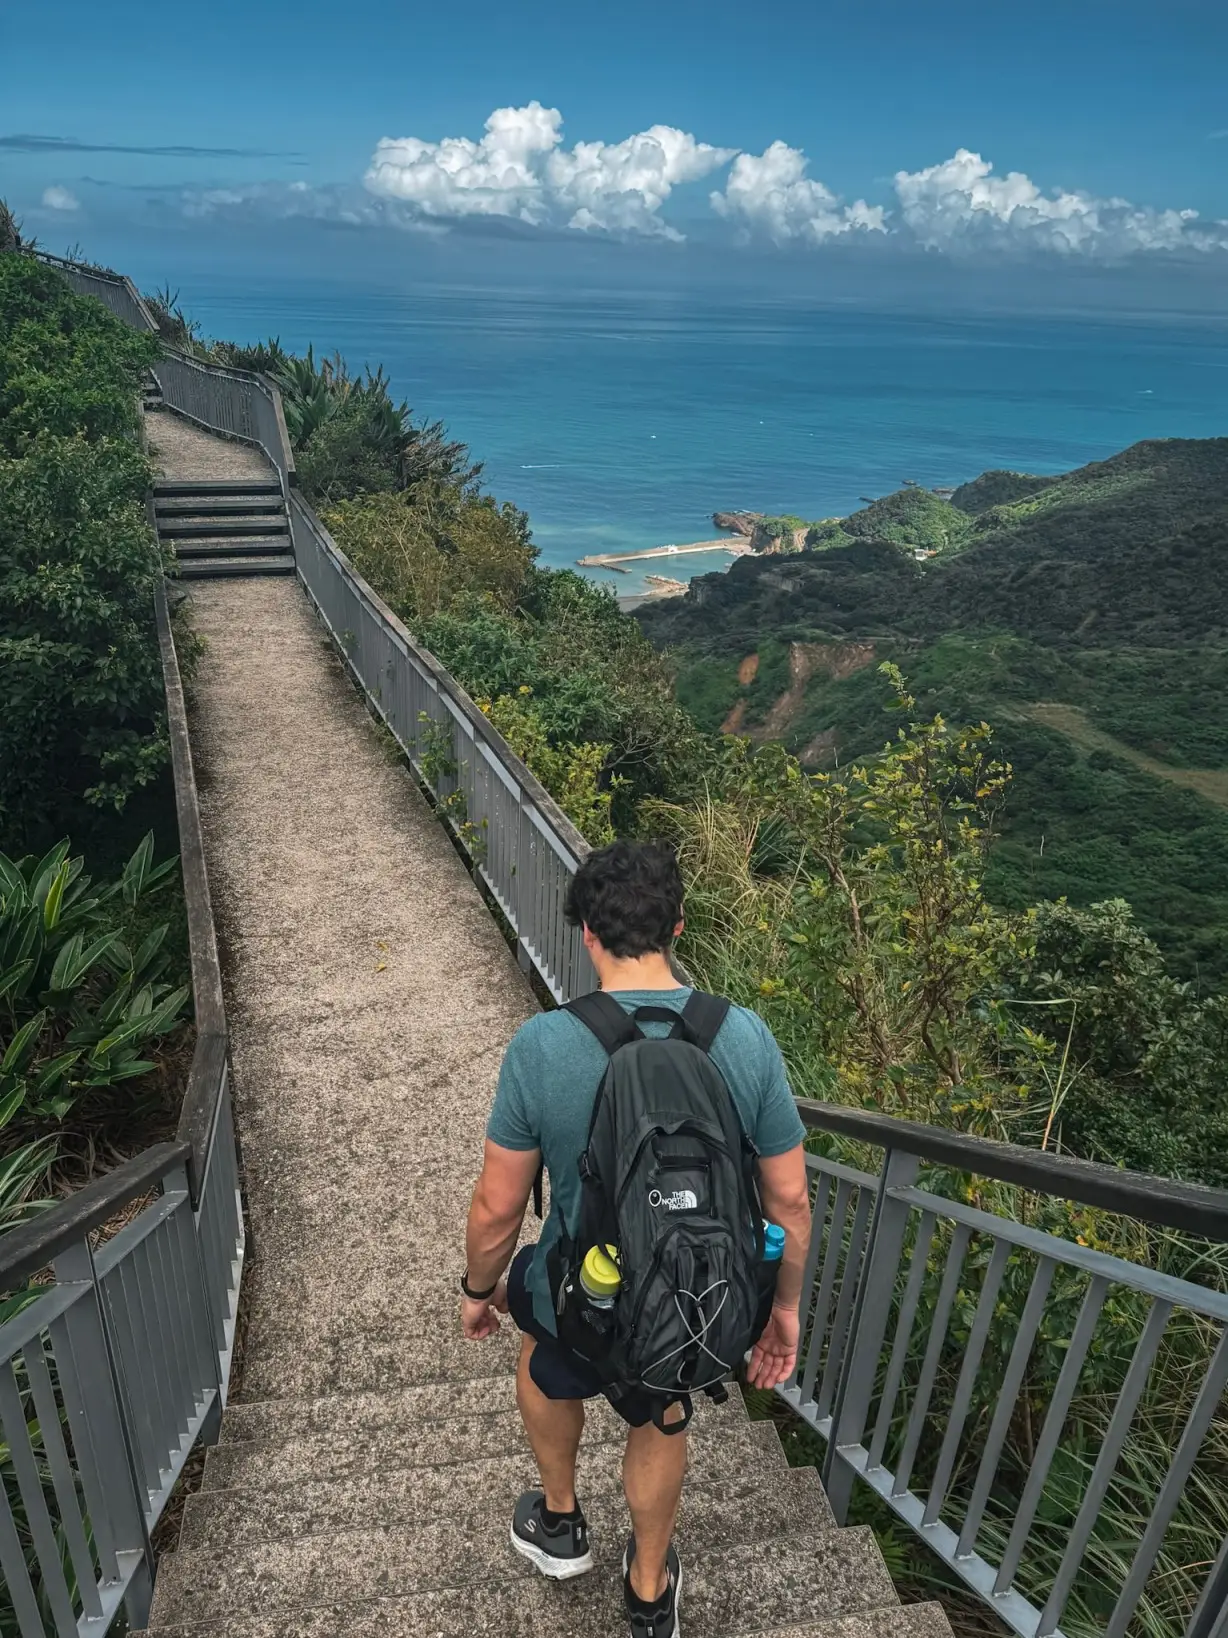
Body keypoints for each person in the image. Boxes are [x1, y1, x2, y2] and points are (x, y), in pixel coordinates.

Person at [460, 840, 811, 1638]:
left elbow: (497, 1207)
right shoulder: (744, 1037)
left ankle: (559, 1523)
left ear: (585, 931)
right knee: (661, 1410)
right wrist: (781, 1308)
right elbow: (789, 1197)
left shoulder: (543, 1046)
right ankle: (649, 1592)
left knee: (539, 1341)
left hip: (584, 1294)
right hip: (688, 1297)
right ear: (678, 927)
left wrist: (481, 1293)